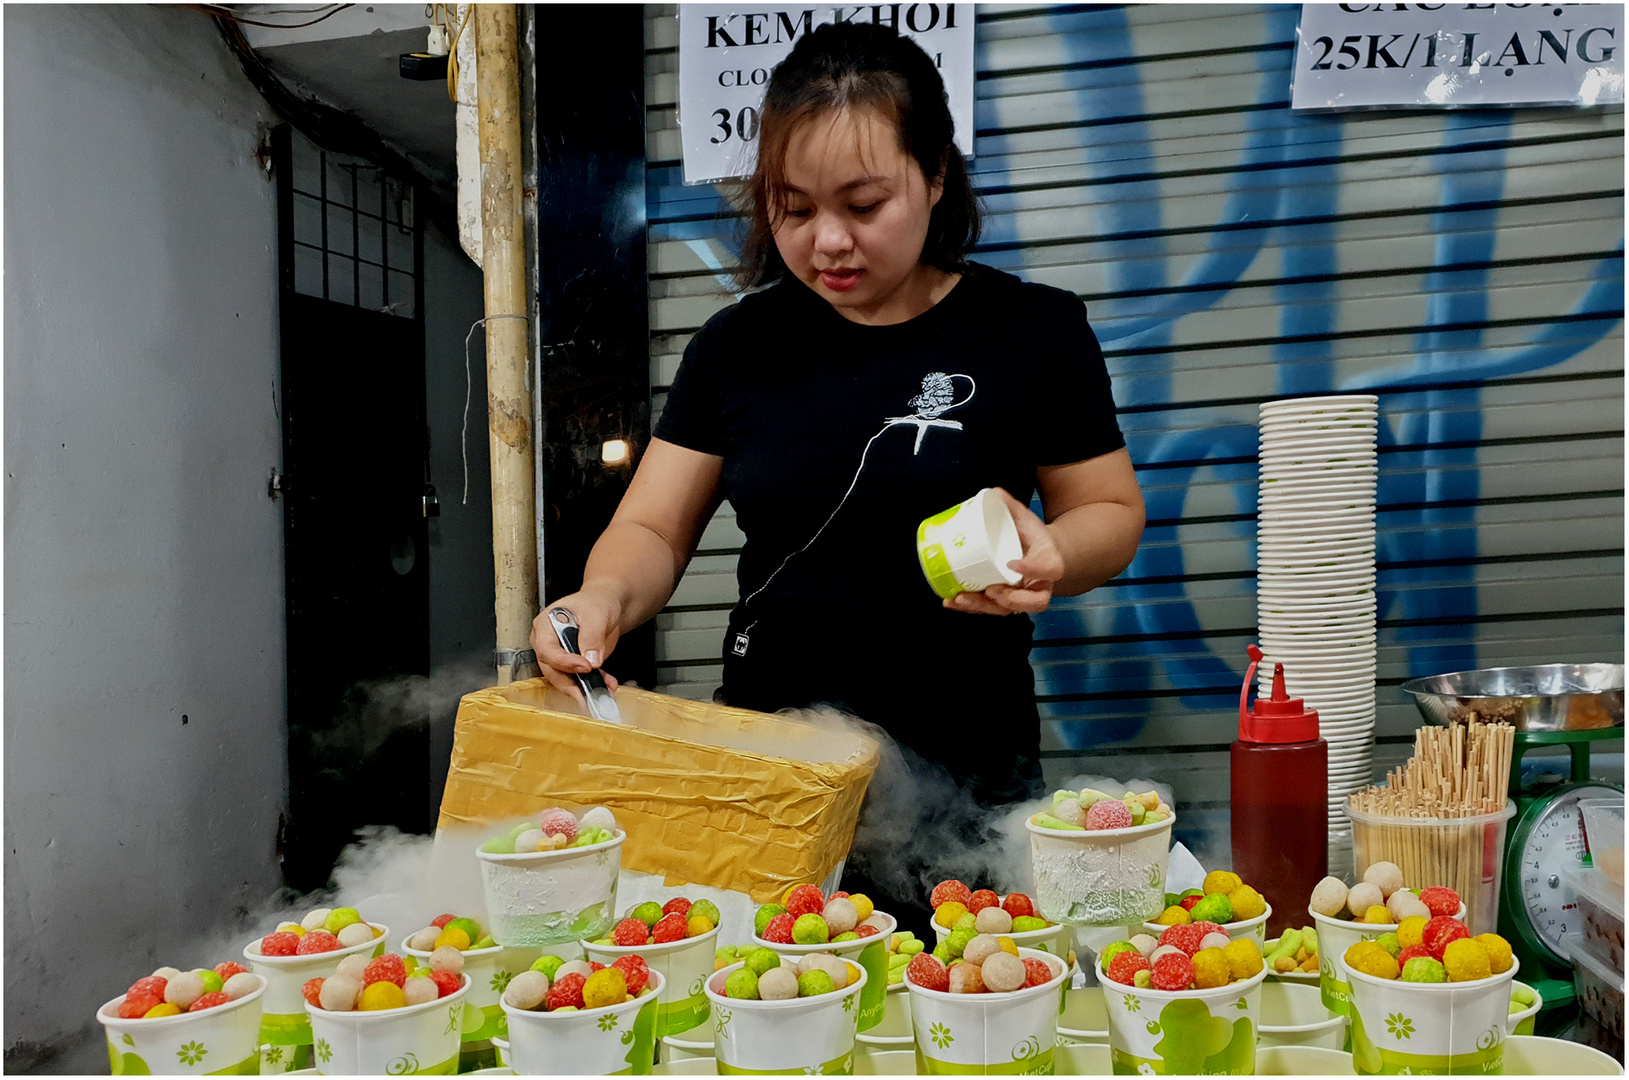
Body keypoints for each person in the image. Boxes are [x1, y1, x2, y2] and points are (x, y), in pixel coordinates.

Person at [532, 20, 1144, 921]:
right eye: (793, 208)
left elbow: (1110, 512)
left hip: (966, 781)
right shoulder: (736, 346)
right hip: (774, 776)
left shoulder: (1031, 332)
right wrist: (600, 600)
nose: (827, 242)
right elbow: (653, 527)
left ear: (935, 176)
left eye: (862, 206)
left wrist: (1053, 550)